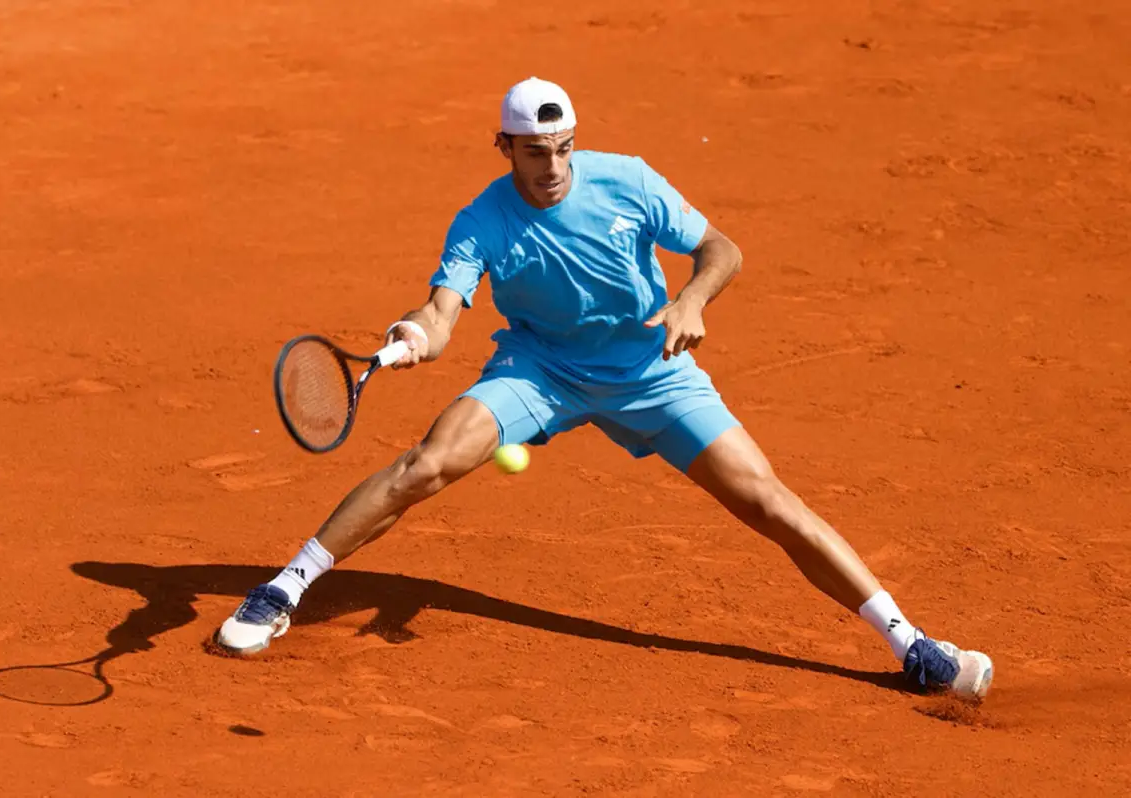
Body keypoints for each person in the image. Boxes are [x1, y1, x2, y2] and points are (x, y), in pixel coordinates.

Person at [217, 77, 993, 699]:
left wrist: (690, 299)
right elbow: (443, 310)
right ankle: (283, 589)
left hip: (652, 370)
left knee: (768, 501)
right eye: (532, 153)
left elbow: (721, 247)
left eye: (561, 149)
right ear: (504, 148)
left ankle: (913, 645)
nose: (551, 168)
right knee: (426, 464)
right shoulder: (479, 220)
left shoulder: (628, 182)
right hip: (542, 370)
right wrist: (417, 335)